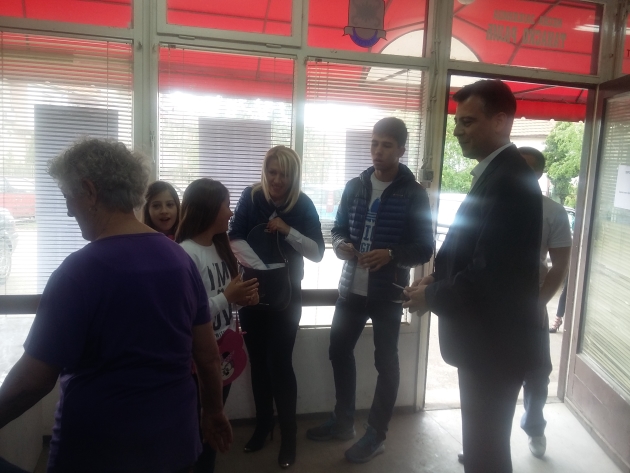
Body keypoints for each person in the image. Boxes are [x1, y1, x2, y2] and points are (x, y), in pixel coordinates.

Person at [0, 138, 232, 473]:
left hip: (100, 451)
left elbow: (32, 381)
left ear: (89, 191)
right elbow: (208, 356)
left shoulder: (78, 272)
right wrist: (213, 411)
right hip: (175, 442)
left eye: (68, 197)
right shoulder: (180, 260)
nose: (69, 210)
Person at [403, 80, 543, 473]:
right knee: (482, 446)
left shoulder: (511, 182)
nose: (458, 131)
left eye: (468, 122)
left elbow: (490, 274)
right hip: (486, 342)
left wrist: (432, 297)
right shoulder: (496, 172)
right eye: (456, 123)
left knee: (486, 453)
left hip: (495, 345)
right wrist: (435, 279)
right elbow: (472, 247)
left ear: (500, 121)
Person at [306, 117, 434, 463]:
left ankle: (376, 434)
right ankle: (343, 422)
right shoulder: (356, 186)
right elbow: (338, 229)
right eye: (375, 143)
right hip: (351, 290)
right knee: (338, 350)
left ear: (401, 150)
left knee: (386, 363)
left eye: (386, 145)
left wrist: (391, 254)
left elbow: (425, 248)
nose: (378, 151)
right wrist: (340, 245)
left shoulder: (414, 193)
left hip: (388, 293)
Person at [228, 145, 325, 469]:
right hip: (252, 293)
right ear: (265, 171)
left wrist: (288, 230)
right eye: (272, 172)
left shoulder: (303, 204)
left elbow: (317, 252)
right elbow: (234, 237)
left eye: (284, 174)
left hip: (287, 297)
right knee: (258, 363)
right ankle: (263, 426)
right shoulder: (251, 196)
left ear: (293, 176)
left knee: (280, 364)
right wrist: (266, 269)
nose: (277, 180)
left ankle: (288, 436)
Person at [176, 178, 260, 473]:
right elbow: (188, 315)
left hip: (223, 354)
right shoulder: (185, 253)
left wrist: (242, 300)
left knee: (213, 427)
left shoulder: (220, 248)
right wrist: (227, 297)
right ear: (209, 208)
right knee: (197, 432)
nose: (231, 212)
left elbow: (227, 304)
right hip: (197, 361)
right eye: (226, 205)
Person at [518, 146, 572, 457]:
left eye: (527, 168)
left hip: (531, 302)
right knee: (490, 374)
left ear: (539, 174)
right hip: (491, 302)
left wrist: (539, 303)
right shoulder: (492, 205)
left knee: (537, 373)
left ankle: (534, 426)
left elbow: (560, 265)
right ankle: (483, 440)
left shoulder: (552, 212)